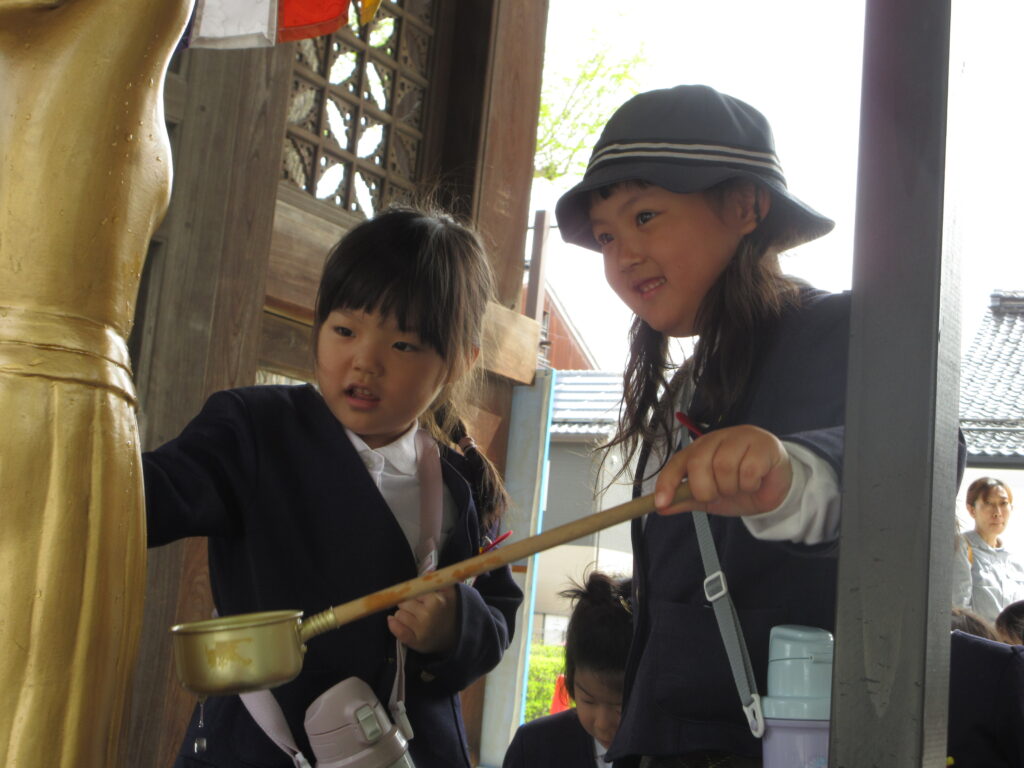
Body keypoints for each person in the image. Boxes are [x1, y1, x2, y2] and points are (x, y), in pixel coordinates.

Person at [144, 207, 523, 767]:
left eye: (403, 345)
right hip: (258, 747)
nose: (364, 361)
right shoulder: (253, 430)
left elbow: (496, 614)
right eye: (345, 330)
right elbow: (147, 496)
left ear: (459, 361)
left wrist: (455, 625)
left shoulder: (458, 479)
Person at [555, 83, 855, 768]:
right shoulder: (688, 388)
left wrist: (792, 474)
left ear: (745, 206)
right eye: (606, 236)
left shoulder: (837, 330)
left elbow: (919, 456)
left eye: (645, 216)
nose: (622, 255)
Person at [503, 571, 633, 768]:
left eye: (619, 707)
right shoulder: (534, 746)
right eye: (588, 701)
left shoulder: (673, 756)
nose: (602, 724)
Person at [953, 477, 1024, 623]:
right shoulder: (963, 547)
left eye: (1003, 503)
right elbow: (959, 609)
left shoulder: (1015, 559)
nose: (997, 512)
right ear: (971, 509)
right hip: (979, 636)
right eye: (988, 503)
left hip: (1012, 637)